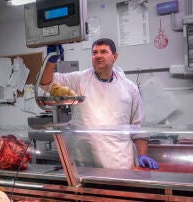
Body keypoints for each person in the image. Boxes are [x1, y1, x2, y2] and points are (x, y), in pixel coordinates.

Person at [40, 38, 158, 170]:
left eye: (103, 52)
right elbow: (46, 83)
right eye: (94, 52)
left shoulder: (130, 88)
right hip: (84, 161)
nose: (98, 56)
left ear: (115, 57)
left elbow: (139, 127)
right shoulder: (79, 79)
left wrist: (142, 154)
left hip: (119, 163)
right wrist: (51, 60)